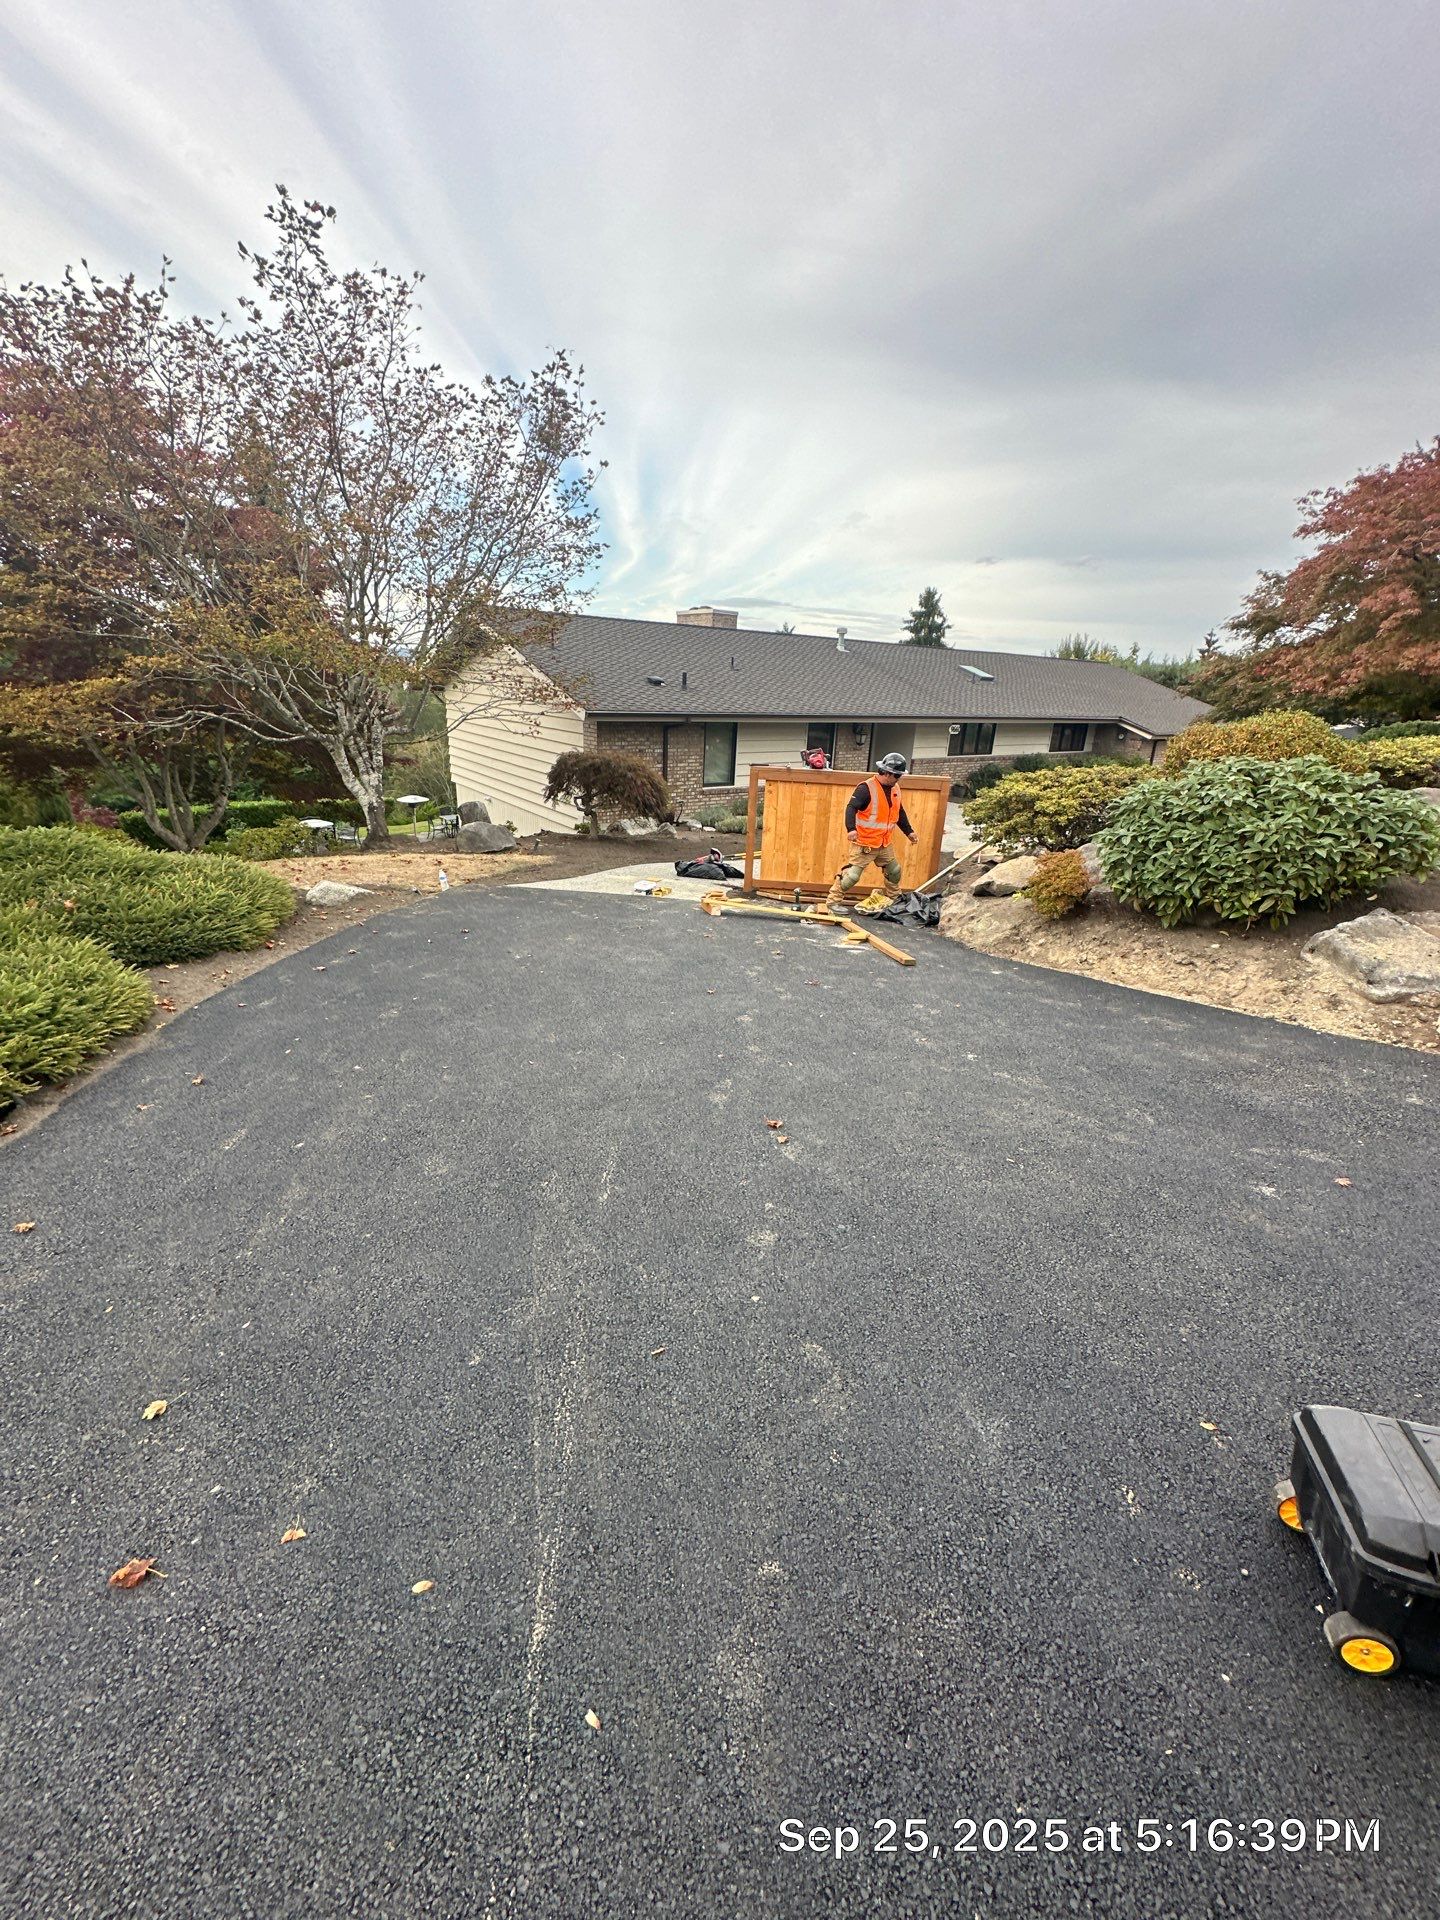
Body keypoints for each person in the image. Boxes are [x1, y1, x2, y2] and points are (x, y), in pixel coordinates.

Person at [824, 752, 917, 911]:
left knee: (894, 871)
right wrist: (851, 829)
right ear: (887, 773)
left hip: (884, 843)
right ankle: (833, 902)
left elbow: (899, 812)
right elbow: (851, 808)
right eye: (897, 776)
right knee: (852, 876)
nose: (899, 779)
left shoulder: (895, 788)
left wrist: (909, 832)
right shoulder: (866, 788)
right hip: (865, 843)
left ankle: (895, 900)